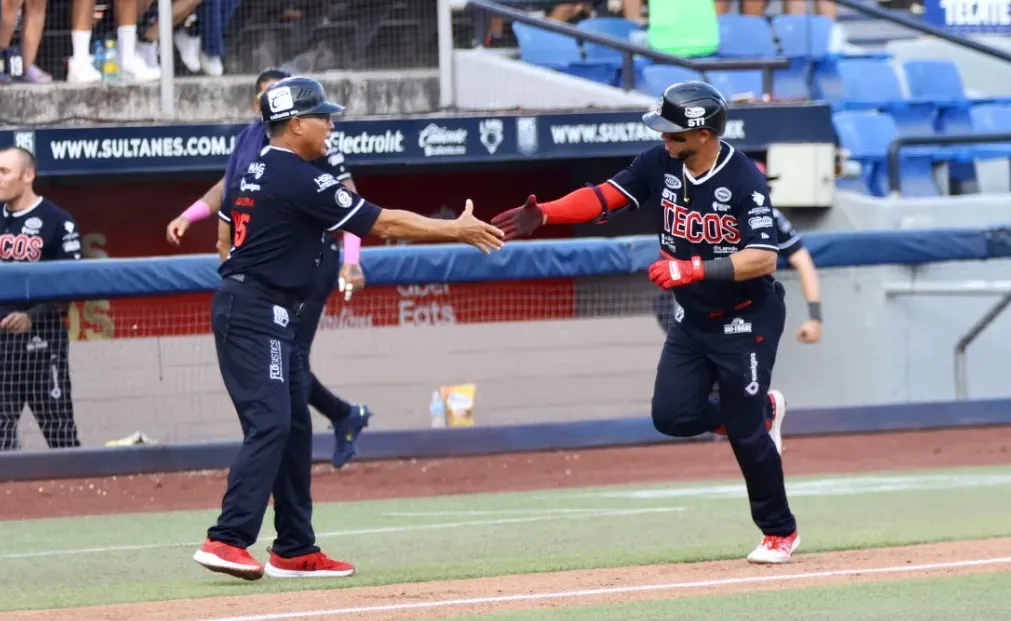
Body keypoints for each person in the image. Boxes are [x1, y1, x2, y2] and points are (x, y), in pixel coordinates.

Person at [193, 76, 503, 580]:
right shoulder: (294, 172)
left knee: (293, 427)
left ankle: (295, 547)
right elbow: (381, 223)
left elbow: (226, 228)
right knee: (271, 422)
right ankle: (226, 540)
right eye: (323, 116)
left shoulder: (260, 167)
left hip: (266, 310)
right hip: (255, 313)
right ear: (296, 124)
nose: (331, 124)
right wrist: (455, 230)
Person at [491, 81, 799, 564]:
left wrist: (692, 268)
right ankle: (759, 412)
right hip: (694, 318)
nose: (666, 140)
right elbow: (605, 196)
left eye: (675, 134)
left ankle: (780, 530)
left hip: (746, 318)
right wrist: (547, 213)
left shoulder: (743, 179)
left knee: (744, 436)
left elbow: (762, 259)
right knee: (671, 417)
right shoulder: (660, 163)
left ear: (704, 135)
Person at [167, 67, 371, 469]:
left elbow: (352, 202)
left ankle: (294, 452)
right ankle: (337, 418)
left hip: (307, 259)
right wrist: (190, 217)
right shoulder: (248, 139)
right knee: (281, 358)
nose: (272, 101)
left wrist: (352, 260)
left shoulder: (314, 139)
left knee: (289, 355)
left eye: (280, 93)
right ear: (256, 104)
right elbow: (227, 190)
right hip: (260, 265)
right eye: (265, 96)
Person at [654, 162, 823, 345]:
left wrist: (815, 317)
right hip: (699, 310)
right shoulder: (702, 215)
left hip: (745, 311)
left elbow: (803, 262)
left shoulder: (770, 217)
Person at [0, 147, 82, 451]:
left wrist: (31, 316)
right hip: (1, 343)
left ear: (28, 175)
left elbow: (70, 288)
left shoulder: (58, 221)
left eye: (3, 172)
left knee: (59, 430)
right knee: (1, 432)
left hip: (41, 340)